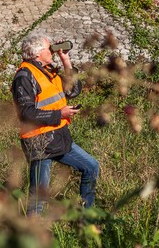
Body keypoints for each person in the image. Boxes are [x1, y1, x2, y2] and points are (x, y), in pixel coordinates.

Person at [11, 33, 99, 216]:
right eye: (48, 48)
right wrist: (60, 113)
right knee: (39, 196)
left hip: (58, 137)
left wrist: (66, 61)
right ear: (36, 53)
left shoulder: (49, 71)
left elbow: (73, 90)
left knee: (91, 166)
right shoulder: (25, 76)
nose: (52, 50)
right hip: (39, 141)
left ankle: (86, 218)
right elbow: (26, 113)